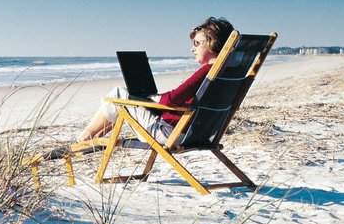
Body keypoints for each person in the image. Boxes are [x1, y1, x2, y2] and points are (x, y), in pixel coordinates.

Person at [76, 17, 235, 144]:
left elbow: (171, 99)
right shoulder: (228, 74)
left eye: (197, 43)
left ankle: (84, 139)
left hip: (169, 134)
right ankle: (93, 138)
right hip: (199, 135)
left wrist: (154, 98)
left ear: (213, 43)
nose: (192, 49)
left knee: (118, 93)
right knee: (126, 103)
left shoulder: (207, 72)